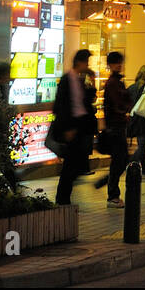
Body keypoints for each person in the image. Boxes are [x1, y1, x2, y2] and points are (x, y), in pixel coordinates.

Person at [50, 50, 94, 205]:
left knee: (75, 165)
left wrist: (92, 80)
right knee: (70, 165)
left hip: (80, 128)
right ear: (80, 62)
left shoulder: (80, 80)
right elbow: (61, 106)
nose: (87, 65)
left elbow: (87, 101)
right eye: (86, 62)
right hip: (71, 129)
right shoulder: (67, 79)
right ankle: (62, 199)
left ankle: (64, 197)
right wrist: (67, 129)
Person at [93, 51, 128, 206]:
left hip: (118, 126)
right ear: (110, 65)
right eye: (116, 62)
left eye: (120, 62)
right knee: (120, 160)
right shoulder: (113, 83)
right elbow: (118, 104)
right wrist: (125, 108)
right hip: (115, 127)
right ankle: (112, 194)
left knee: (120, 160)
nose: (119, 65)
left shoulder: (118, 81)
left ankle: (109, 187)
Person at [125, 64, 145, 174]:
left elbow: (126, 100)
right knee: (142, 144)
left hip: (134, 118)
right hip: (144, 119)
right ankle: (129, 161)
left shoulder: (132, 87)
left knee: (141, 143)